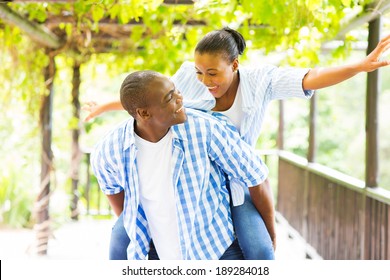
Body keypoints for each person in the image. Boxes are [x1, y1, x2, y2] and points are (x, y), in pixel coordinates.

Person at [84, 27, 390, 260]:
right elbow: (149, 98)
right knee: (120, 241)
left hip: (235, 179)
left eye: (213, 73)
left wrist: (359, 67)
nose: (205, 81)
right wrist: (105, 105)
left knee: (259, 249)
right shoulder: (188, 80)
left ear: (235, 64)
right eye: (200, 72)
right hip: (195, 172)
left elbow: (311, 77)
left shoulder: (260, 82)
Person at [90, 70, 272, 260]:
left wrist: (271, 238)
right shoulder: (108, 151)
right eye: (169, 97)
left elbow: (256, 175)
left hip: (215, 250)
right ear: (144, 113)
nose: (180, 98)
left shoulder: (205, 129)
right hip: (154, 253)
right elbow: (116, 197)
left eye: (176, 90)